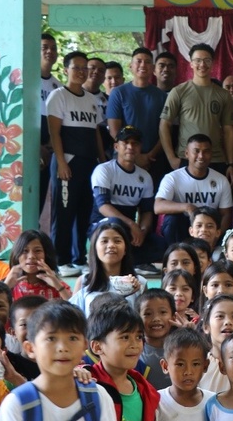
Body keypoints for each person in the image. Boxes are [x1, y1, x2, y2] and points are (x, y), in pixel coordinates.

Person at [48, 50, 107, 273]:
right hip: (68, 163)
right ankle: (60, 259)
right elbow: (54, 133)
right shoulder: (58, 96)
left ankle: (78, 257)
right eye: (77, 67)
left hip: (89, 164)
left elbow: (96, 133)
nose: (82, 72)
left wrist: (103, 161)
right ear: (66, 70)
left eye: (85, 68)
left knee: (84, 211)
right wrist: (61, 162)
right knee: (64, 212)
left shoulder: (92, 100)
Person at [159, 43, 233, 189]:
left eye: (207, 60)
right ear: (191, 63)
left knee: (217, 207)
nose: (202, 64)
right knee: (186, 206)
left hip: (216, 159)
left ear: (213, 63)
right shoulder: (179, 91)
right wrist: (171, 158)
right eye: (198, 60)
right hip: (186, 159)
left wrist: (231, 163)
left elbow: (229, 130)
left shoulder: (223, 94)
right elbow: (164, 125)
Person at [91, 125, 164, 270]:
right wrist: (131, 225)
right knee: (115, 226)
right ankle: (119, 261)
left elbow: (147, 211)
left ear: (139, 147)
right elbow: (103, 206)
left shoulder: (144, 176)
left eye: (135, 143)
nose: (130, 147)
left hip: (130, 229)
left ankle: (132, 261)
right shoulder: (104, 170)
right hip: (104, 223)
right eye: (126, 143)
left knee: (161, 245)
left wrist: (142, 231)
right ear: (116, 146)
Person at [155, 134, 233, 244]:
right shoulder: (172, 178)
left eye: (206, 151)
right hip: (183, 226)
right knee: (172, 220)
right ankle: (176, 253)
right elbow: (158, 206)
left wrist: (216, 238)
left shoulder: (221, 180)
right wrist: (187, 207)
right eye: (196, 151)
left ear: (211, 154)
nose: (201, 156)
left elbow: (226, 214)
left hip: (208, 229)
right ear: (187, 153)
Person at [107, 48, 170, 185]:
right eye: (139, 61)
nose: (143, 65)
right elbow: (114, 131)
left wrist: (149, 156)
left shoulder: (161, 96)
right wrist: (135, 156)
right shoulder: (118, 93)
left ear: (153, 68)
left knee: (151, 203)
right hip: (124, 158)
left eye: (147, 62)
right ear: (131, 66)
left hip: (153, 159)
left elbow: (165, 131)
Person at [39, 33, 64, 213]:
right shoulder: (25, 78)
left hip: (49, 148)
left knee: (41, 195)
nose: (50, 51)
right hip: (29, 144)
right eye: (45, 47)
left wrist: (48, 147)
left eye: (53, 48)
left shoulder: (58, 87)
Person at [136, 289, 179, 389]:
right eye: (148, 314)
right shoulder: (134, 352)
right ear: (138, 318)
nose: (156, 318)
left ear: (173, 317)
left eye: (163, 312)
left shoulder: (181, 348)